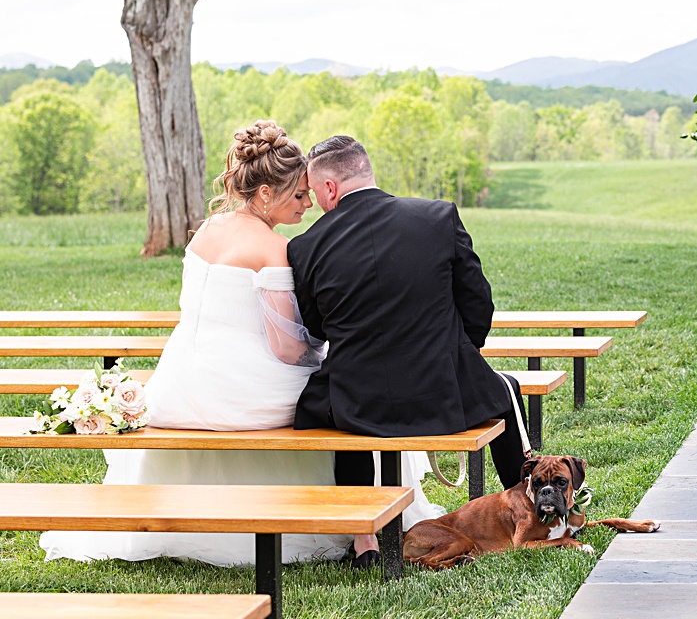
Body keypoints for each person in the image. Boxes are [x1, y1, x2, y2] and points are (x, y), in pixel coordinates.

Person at [40, 120, 445, 568]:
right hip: (239, 395)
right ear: (266, 193)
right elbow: (288, 349)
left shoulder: (207, 230)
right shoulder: (273, 248)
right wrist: (329, 354)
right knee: (354, 394)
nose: (308, 202)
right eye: (298, 194)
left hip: (176, 386)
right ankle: (363, 523)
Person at [288, 135, 532, 568]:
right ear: (365, 171)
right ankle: (532, 507)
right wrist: (455, 357)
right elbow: (478, 303)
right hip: (443, 394)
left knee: (338, 416)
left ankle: (364, 545)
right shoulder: (437, 216)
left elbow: (316, 327)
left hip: (358, 403)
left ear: (328, 189)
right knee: (506, 389)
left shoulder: (306, 246)